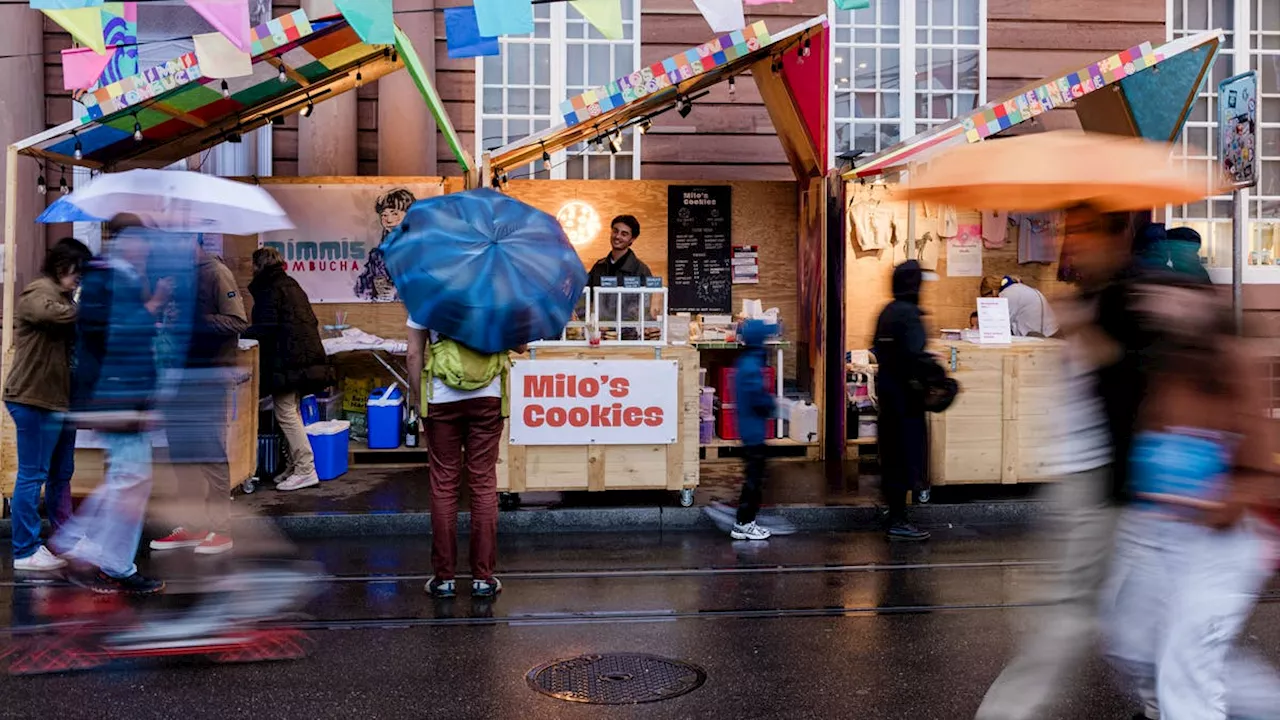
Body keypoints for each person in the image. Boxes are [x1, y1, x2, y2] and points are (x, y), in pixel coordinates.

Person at [976, 207, 1140, 720]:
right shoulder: (1095, 295)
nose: (1072, 243)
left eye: (1084, 232)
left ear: (1117, 236)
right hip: (1087, 479)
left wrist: (1084, 333)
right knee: (1098, 612)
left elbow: (1130, 378)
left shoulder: (1124, 298)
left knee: (1093, 612)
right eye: (1072, 232)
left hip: (1109, 479)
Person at [1101, 276, 1280, 720]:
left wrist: (1219, 503)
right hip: (1161, 529)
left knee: (1186, 664)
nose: (1159, 306)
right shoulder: (1165, 361)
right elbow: (1152, 438)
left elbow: (1258, 464)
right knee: (1135, 642)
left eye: (1171, 296)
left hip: (1222, 540)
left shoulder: (1231, 362)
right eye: (1153, 297)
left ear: (1200, 302)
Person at [53, 226, 170, 593]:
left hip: (124, 398)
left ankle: (101, 557)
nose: (147, 251)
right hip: (116, 397)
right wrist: (153, 306)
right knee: (128, 482)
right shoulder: (109, 277)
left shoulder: (119, 276)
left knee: (131, 482)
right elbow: (112, 334)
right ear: (126, 242)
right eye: (142, 243)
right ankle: (90, 553)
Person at [407, 320, 522, 599]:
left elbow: (413, 354)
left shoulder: (424, 293)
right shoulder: (497, 293)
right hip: (488, 397)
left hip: (441, 397)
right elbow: (520, 345)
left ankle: (444, 579)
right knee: (482, 483)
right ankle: (483, 578)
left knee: (444, 485)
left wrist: (418, 400)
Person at [151, 239, 248, 556]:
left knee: (210, 454)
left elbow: (237, 321)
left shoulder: (217, 272)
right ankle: (192, 526)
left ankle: (222, 530)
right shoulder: (180, 276)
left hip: (209, 377)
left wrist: (198, 321)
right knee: (182, 455)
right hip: (179, 376)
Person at [3, 238, 91, 571]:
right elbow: (49, 314)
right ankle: (25, 550)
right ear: (62, 267)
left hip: (59, 400)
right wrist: (85, 307)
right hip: (34, 398)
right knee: (32, 475)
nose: (78, 280)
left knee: (60, 474)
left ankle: (65, 537)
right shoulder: (38, 292)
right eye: (76, 273)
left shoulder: (65, 297)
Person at [245, 247, 332, 492]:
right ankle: (294, 466)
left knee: (285, 413)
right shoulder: (290, 284)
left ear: (257, 266)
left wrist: (240, 334)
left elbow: (266, 326)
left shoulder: (268, 288)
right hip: (299, 360)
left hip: (286, 361)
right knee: (291, 412)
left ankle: (306, 469)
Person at [871, 260, 934, 541]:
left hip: (887, 395)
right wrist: (939, 376)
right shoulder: (909, 315)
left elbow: (878, 348)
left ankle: (894, 511)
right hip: (906, 400)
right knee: (906, 455)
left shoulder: (886, 311)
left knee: (892, 455)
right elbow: (915, 356)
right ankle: (898, 519)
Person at [729, 320, 778, 541]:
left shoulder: (746, 362)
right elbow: (758, 400)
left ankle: (746, 520)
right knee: (754, 479)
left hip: (749, 429)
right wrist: (773, 405)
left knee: (755, 476)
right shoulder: (751, 366)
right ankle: (744, 523)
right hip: (753, 432)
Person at [586, 215, 652, 328]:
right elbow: (587, 298)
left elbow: (643, 309)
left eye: (624, 234)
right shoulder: (598, 267)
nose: (617, 236)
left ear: (632, 239)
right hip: (598, 333)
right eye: (615, 231)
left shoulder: (641, 270)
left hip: (628, 335)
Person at [980, 275, 1059, 338]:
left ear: (991, 292)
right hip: (1052, 331)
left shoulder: (1006, 295)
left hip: (1043, 336)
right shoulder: (1017, 288)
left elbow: (999, 325)